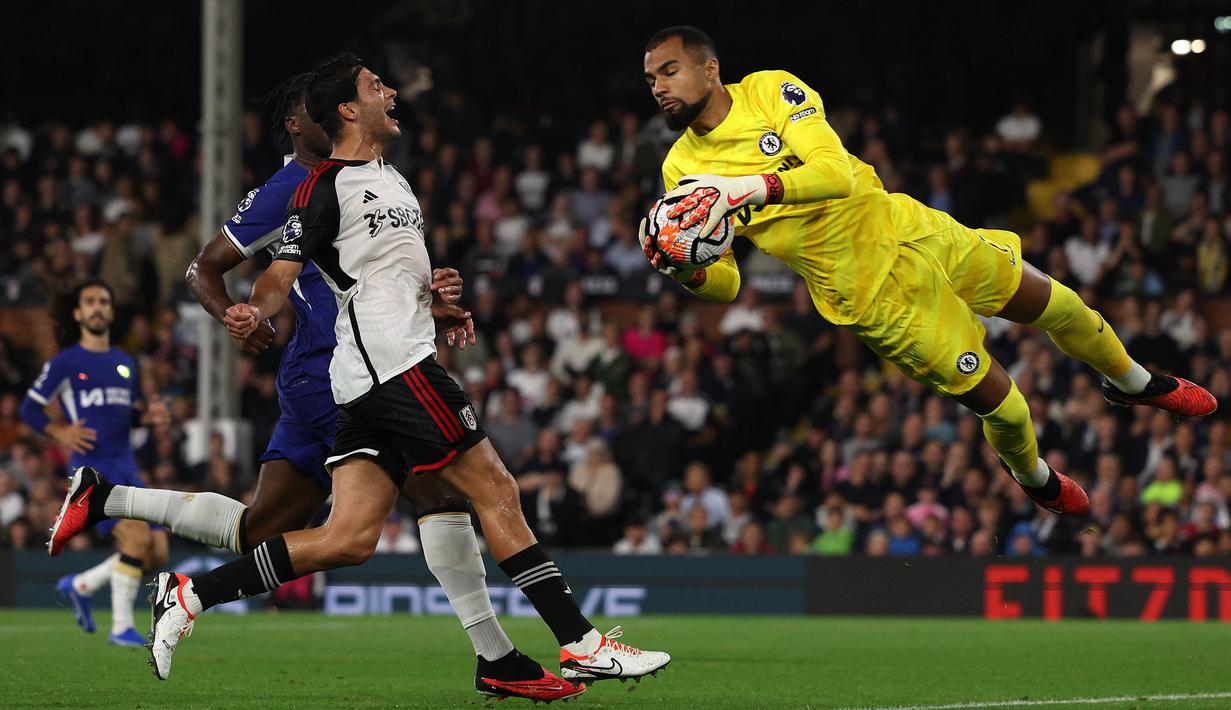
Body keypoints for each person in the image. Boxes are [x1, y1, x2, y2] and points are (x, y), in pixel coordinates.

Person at [46, 73, 577, 703]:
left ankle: (108, 499)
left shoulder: (364, 179)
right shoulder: (292, 190)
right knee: (439, 491)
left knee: (261, 530)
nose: (335, 113)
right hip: (336, 372)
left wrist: (428, 299)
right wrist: (237, 314)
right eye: (318, 107)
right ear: (298, 124)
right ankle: (499, 657)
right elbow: (203, 267)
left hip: (328, 370)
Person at [151, 54, 668, 691]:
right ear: (348, 110)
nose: (391, 92)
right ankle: (581, 644)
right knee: (496, 489)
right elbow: (279, 275)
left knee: (347, 538)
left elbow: (382, 277)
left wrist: (438, 301)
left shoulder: (392, 178)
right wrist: (251, 311)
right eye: (376, 86)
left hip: (367, 374)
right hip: (394, 367)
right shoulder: (319, 188)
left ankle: (189, 596)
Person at [639, 26, 1217, 517]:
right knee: (1008, 406)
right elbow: (728, 284)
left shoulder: (770, 90)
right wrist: (685, 269)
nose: (659, 87)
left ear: (710, 68)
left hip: (908, 226)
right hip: (872, 296)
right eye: (651, 79)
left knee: (1061, 304)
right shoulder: (681, 170)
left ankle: (1134, 383)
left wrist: (742, 188)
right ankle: (1035, 477)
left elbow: (834, 172)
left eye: (669, 71)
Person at [22, 278, 171, 646]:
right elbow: (29, 409)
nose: (97, 307)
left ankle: (82, 585)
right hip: (92, 469)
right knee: (137, 538)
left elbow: (125, 414)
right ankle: (121, 627)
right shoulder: (65, 362)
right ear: (77, 313)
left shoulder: (125, 362)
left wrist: (146, 418)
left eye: (103, 301)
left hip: (126, 466)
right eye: (89, 301)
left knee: (157, 551)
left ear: (111, 311)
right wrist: (59, 432)